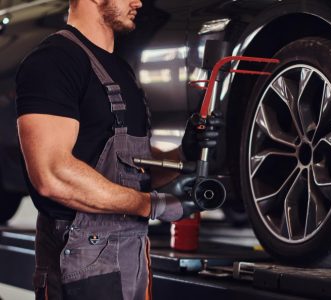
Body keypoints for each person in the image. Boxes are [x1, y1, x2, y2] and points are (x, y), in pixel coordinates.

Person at [15, 0, 222, 299]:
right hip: (81, 259)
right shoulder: (54, 61)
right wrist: (151, 205)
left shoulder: (120, 70)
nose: (138, 1)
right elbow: (52, 174)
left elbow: (133, 170)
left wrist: (182, 155)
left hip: (132, 254)